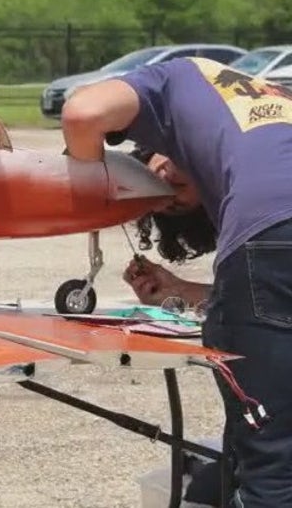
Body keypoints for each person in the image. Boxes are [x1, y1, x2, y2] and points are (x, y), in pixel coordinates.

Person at [62, 56, 292, 507]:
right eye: (174, 200)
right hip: (272, 250)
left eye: (171, 193)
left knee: (271, 465)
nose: (163, 182)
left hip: (272, 239)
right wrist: (186, 292)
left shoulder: (171, 77)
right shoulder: (267, 101)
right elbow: (274, 304)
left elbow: (82, 112)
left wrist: (88, 186)